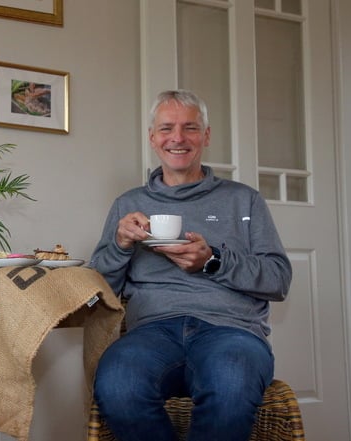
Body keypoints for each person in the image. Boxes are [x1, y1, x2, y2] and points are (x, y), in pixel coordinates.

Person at [89, 89, 292, 441]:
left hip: (232, 333)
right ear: (153, 138)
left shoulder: (244, 199)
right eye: (167, 128)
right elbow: (97, 290)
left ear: (207, 136)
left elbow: (278, 280)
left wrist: (213, 260)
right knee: (118, 382)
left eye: (190, 128)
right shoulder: (129, 205)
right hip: (152, 332)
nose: (178, 138)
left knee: (231, 384)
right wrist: (121, 245)